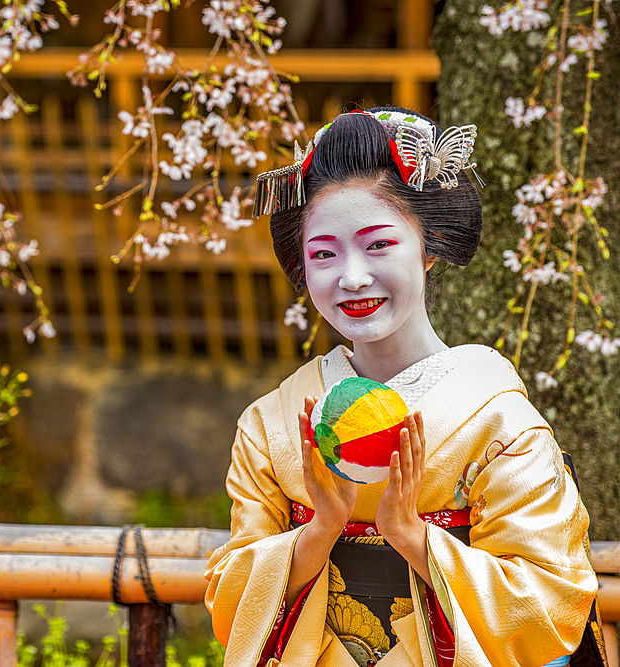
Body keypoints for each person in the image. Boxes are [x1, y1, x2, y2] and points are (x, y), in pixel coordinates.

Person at [204, 108, 607, 667]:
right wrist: (319, 532)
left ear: (430, 244)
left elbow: (548, 604)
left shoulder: (496, 420)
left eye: (378, 244)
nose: (351, 277)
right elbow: (231, 606)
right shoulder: (269, 426)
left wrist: (413, 537)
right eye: (323, 253)